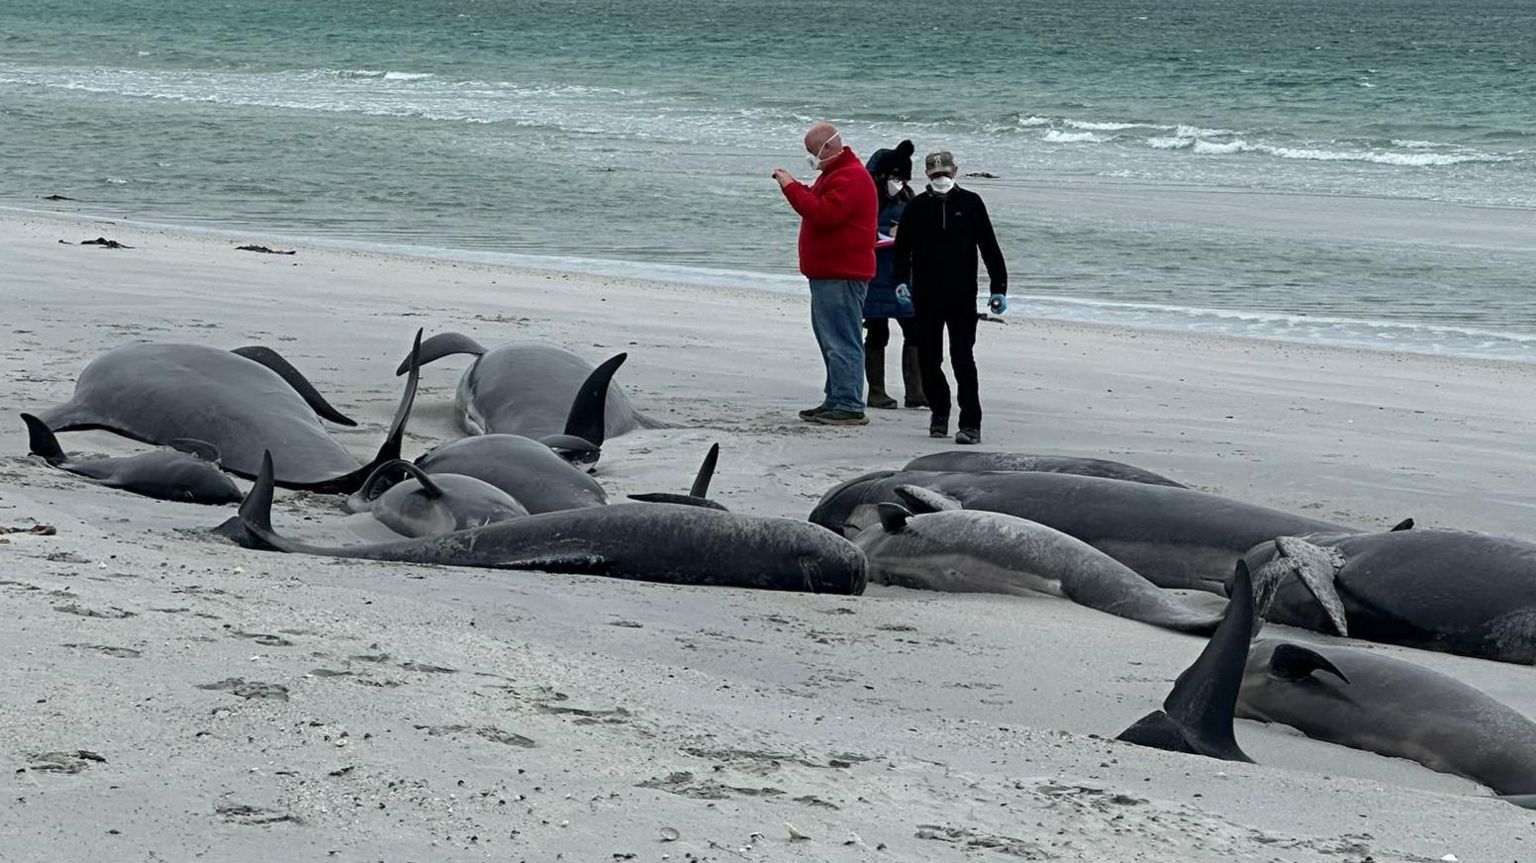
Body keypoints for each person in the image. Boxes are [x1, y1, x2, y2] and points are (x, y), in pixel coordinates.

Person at [892, 150, 1008, 445]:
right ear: (927, 175)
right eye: (934, 173)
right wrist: (899, 282)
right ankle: (940, 412)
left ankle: (970, 424)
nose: (940, 176)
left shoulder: (971, 203)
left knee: (962, 358)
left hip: (962, 296)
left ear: (955, 172)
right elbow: (902, 249)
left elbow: (989, 247)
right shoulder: (916, 206)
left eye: (944, 171)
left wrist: (999, 288)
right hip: (925, 296)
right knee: (929, 359)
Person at [773, 122, 878, 426]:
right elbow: (819, 203)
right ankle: (836, 397)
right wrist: (797, 187)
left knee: (842, 339)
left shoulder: (852, 177)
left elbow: (823, 214)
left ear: (828, 148)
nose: (812, 159)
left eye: (812, 153)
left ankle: (849, 403)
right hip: (829, 272)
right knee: (829, 338)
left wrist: (791, 187)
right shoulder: (835, 175)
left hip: (842, 273)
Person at [861, 139, 927, 410]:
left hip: (903, 272)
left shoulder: (908, 195)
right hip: (875, 272)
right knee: (877, 332)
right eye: (896, 177)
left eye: (903, 178)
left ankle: (916, 391)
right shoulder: (867, 195)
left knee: (914, 330)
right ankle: (876, 391)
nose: (899, 182)